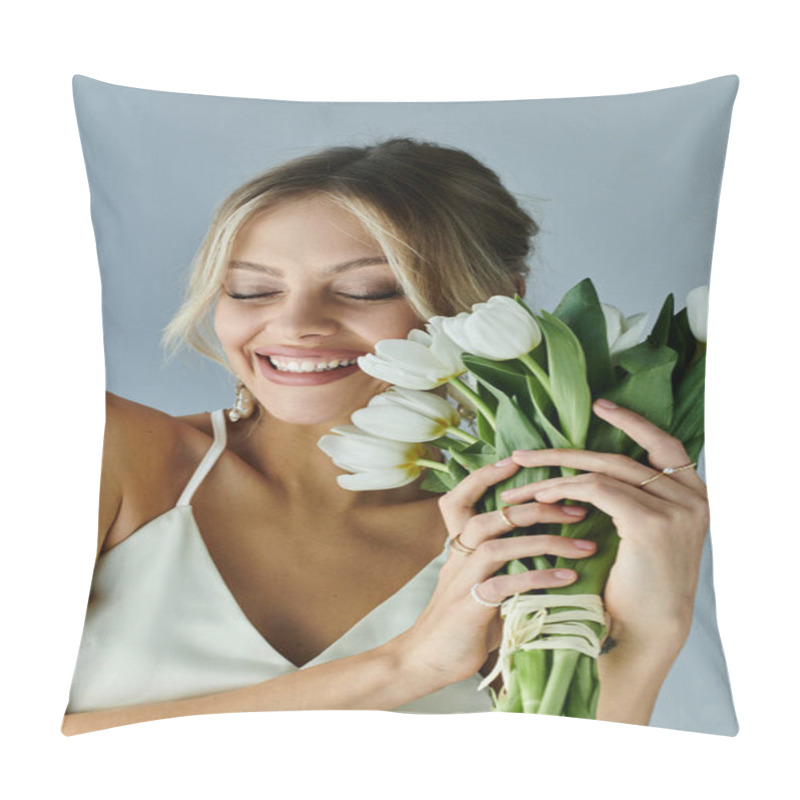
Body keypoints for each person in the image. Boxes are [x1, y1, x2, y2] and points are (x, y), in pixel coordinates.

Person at [62, 138, 709, 735]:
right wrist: (406, 666)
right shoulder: (113, 451)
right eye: (250, 289)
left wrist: (650, 635)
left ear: (497, 301)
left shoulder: (542, 523)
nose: (295, 324)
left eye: (365, 290)